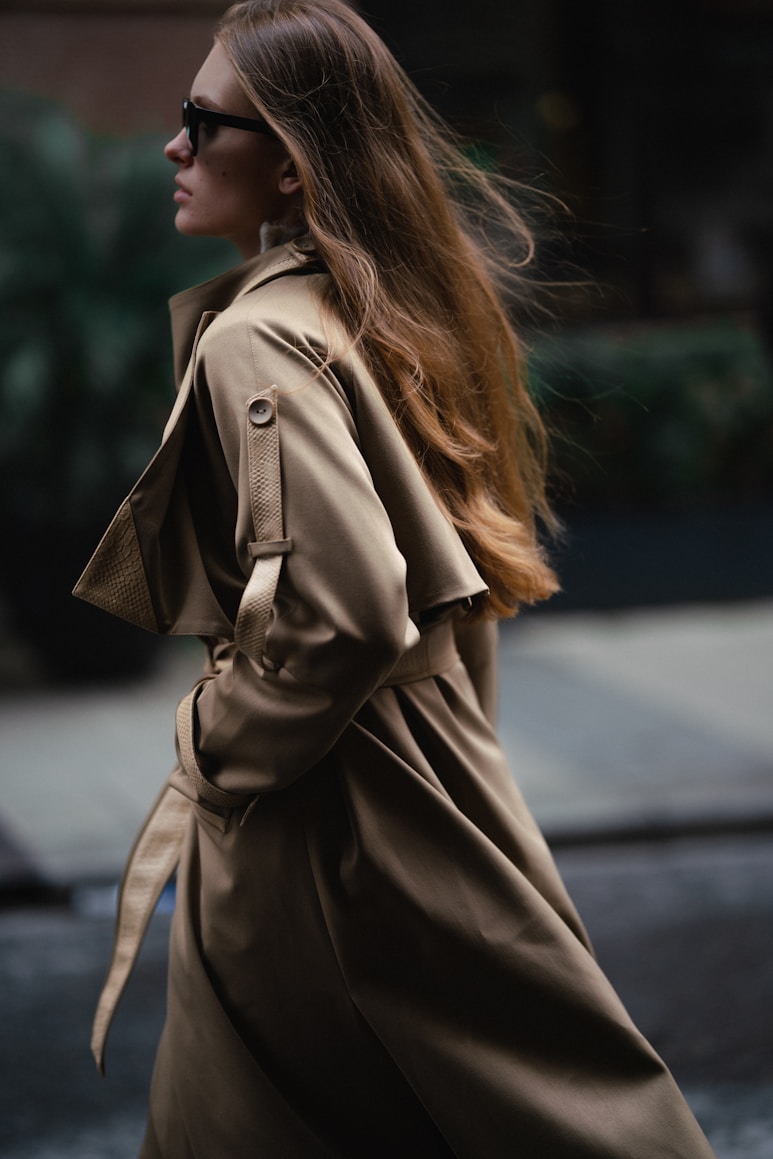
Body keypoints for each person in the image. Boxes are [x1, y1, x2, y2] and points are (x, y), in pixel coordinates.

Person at [75, 2, 717, 1156]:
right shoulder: (377, 307)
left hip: (319, 817)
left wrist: (218, 744)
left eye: (201, 121)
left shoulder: (260, 337)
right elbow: (444, 591)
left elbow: (350, 609)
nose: (174, 145)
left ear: (289, 163)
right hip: (425, 786)